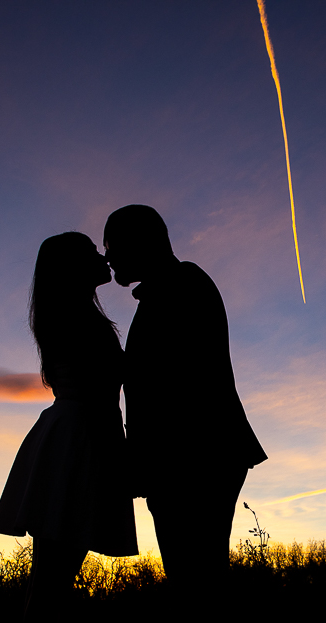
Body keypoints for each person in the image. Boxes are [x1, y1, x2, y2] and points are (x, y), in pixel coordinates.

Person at [103, 204, 267, 593]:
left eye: (112, 245)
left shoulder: (182, 284)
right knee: (193, 578)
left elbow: (180, 386)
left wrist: (146, 460)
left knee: (197, 579)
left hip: (196, 457)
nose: (108, 257)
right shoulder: (167, 290)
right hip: (187, 459)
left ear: (137, 242)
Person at [0, 232, 137, 618]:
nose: (103, 256)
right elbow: (99, 386)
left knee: (51, 577)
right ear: (73, 267)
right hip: (81, 440)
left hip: (75, 436)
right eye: (91, 252)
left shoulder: (70, 315)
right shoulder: (76, 318)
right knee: (53, 577)